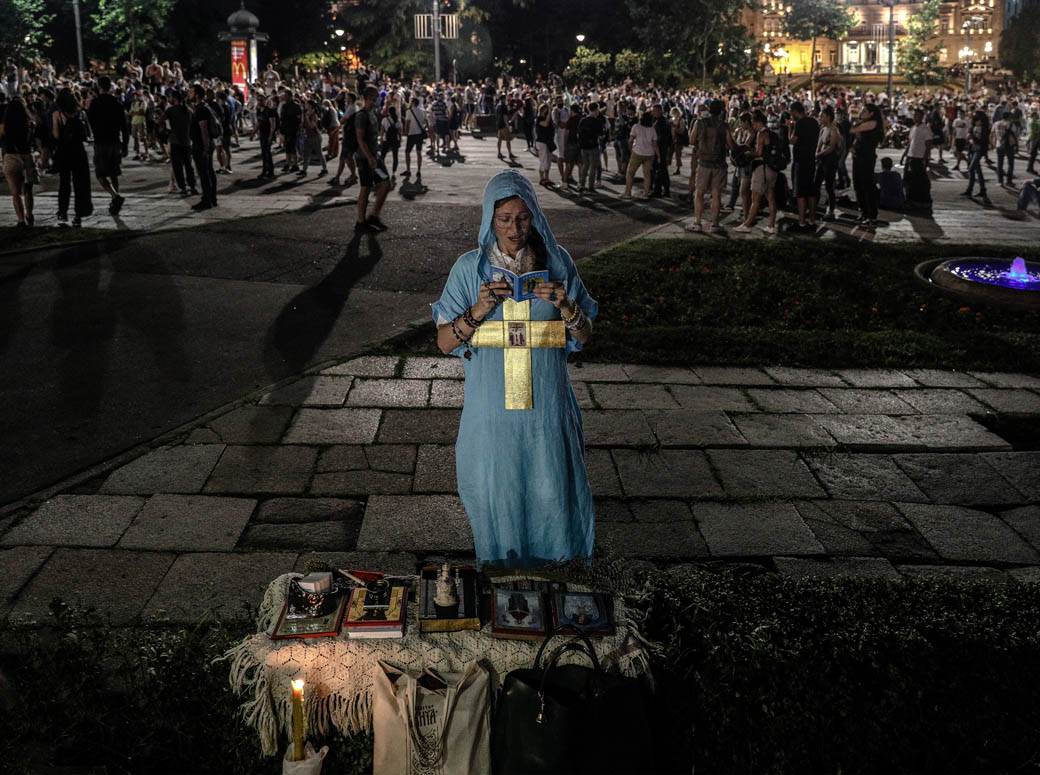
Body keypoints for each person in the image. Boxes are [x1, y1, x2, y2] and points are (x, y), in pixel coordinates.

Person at [431, 169, 597, 567]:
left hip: (546, 406)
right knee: (497, 489)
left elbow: (584, 335)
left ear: (535, 216)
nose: (514, 228)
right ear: (489, 218)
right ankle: (502, 569)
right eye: (504, 219)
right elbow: (444, 342)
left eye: (522, 218)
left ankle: (559, 572)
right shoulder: (469, 270)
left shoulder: (557, 264)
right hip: (492, 412)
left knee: (552, 486)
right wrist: (480, 309)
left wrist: (565, 305)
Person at [687, 98, 732, 233]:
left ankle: (697, 222)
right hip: (719, 163)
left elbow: (691, 140)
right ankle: (715, 224)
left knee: (699, 193)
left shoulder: (699, 122)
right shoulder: (724, 125)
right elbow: (731, 144)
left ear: (709, 109)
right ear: (721, 111)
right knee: (716, 195)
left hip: (703, 162)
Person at [86, 75, 128, 215]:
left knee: (100, 173)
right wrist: (126, 144)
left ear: (99, 87)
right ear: (110, 86)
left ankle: (115, 196)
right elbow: (124, 125)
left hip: (101, 141)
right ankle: (115, 200)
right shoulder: (116, 103)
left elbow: (90, 121)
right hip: (115, 140)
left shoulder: (95, 103)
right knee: (114, 172)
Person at [52, 88, 93, 226]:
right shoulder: (80, 112)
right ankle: (78, 215)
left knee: (64, 183)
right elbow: (87, 134)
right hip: (78, 151)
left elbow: (56, 135)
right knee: (80, 183)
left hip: (64, 151)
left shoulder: (57, 114)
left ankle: (63, 212)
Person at [734, 109, 777, 234]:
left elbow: (758, 152)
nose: (753, 125)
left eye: (753, 122)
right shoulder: (772, 133)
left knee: (755, 199)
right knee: (771, 197)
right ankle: (771, 225)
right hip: (772, 169)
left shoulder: (761, 134)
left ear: (758, 122)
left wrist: (748, 152)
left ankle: (747, 225)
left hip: (761, 168)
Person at [354, 85, 390, 232]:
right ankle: (360, 222)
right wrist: (369, 157)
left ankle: (374, 216)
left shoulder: (372, 113)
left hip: (375, 156)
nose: (378, 99)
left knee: (386, 183)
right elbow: (360, 138)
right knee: (366, 187)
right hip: (365, 158)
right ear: (368, 98)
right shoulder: (361, 115)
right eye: (375, 97)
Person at [1, 96, 37, 227]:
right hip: (26, 156)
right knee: (28, 190)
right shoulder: (29, 123)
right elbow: (34, 137)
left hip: (10, 157)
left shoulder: (5, 125)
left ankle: (21, 220)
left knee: (15, 192)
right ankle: (29, 215)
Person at [849, 103, 882, 226]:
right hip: (858, 157)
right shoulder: (862, 123)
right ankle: (863, 212)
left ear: (871, 114)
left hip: (867, 158)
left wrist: (854, 122)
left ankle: (872, 216)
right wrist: (852, 148)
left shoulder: (873, 123)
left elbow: (853, 130)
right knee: (858, 185)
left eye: (864, 111)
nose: (861, 112)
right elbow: (856, 137)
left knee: (867, 186)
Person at [789, 100, 819, 231]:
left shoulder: (799, 123)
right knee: (811, 191)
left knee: (800, 192)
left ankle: (801, 222)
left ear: (795, 112)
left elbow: (792, 141)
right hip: (811, 159)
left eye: (791, 112)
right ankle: (812, 220)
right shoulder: (814, 122)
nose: (791, 114)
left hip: (801, 160)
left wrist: (790, 128)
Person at [188, 83, 218, 210]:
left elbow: (204, 129)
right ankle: (212, 198)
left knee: (204, 173)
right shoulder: (204, 107)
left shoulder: (201, 109)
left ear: (197, 94)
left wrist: (205, 148)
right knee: (209, 171)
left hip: (201, 145)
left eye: (191, 92)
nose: (189, 93)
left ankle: (207, 200)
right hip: (206, 143)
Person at [164, 90, 198, 195]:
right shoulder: (189, 110)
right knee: (188, 165)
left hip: (175, 141)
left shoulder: (170, 110)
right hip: (187, 141)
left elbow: (160, 121)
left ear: (174, 98)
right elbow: (194, 125)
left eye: (170, 97)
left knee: (177, 166)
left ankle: (183, 187)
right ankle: (192, 187)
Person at [813, 106, 841, 221]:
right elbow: (818, 144)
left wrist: (818, 155)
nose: (820, 118)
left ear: (828, 117)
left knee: (829, 186)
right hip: (822, 160)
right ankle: (815, 207)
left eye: (822, 116)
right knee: (816, 184)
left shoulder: (834, 130)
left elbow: (831, 148)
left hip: (830, 161)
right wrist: (817, 154)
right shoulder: (823, 129)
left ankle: (831, 210)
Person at [623, 110, 657, 199]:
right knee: (647, 175)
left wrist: (631, 150)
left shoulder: (636, 127)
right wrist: (658, 155)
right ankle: (645, 194)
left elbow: (630, 140)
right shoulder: (652, 129)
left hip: (637, 151)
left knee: (630, 173)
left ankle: (627, 193)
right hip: (649, 153)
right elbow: (654, 144)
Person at [901, 109, 931, 210]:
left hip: (919, 157)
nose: (915, 117)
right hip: (910, 156)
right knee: (907, 179)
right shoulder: (913, 128)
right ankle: (908, 199)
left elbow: (928, 145)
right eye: (914, 116)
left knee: (918, 180)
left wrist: (925, 159)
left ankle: (918, 200)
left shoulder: (925, 129)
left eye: (917, 116)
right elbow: (910, 143)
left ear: (922, 117)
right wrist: (904, 155)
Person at [330, 91, 358, 187]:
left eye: (347, 97)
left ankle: (353, 176)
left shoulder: (351, 108)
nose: (345, 98)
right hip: (348, 135)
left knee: (347, 157)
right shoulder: (352, 107)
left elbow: (343, 120)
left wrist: (335, 130)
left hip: (349, 136)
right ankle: (337, 177)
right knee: (343, 158)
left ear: (351, 98)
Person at [963, 109, 990, 205]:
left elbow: (982, 141)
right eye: (975, 119)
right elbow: (969, 135)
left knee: (971, 169)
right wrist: (970, 139)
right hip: (972, 149)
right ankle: (980, 190)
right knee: (977, 170)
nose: (976, 121)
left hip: (979, 150)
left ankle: (971, 189)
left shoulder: (984, 128)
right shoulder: (973, 126)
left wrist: (972, 138)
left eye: (977, 119)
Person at [576, 102, 605, 194]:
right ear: (596, 110)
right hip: (593, 146)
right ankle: (590, 186)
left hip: (583, 146)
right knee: (593, 167)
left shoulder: (583, 120)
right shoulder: (597, 121)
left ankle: (581, 184)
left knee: (585, 166)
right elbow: (601, 135)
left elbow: (578, 133)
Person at [402, 95, 426, 184]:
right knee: (419, 152)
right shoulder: (422, 111)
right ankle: (418, 170)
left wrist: (405, 132)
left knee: (407, 152)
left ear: (413, 103)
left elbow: (407, 123)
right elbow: (424, 122)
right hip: (419, 134)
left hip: (412, 134)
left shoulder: (409, 111)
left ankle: (408, 170)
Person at [256, 94, 279, 179]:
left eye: (261, 100)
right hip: (262, 135)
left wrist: (270, 137)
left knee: (267, 153)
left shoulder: (270, 111)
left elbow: (273, 125)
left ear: (265, 101)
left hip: (267, 135)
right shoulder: (259, 111)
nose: (259, 101)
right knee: (264, 154)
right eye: (258, 100)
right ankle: (265, 171)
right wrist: (253, 132)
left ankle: (271, 172)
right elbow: (259, 123)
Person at [992, 112, 1017, 188]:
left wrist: (993, 144)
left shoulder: (996, 123)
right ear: (1008, 117)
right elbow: (1015, 134)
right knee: (1010, 163)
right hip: (1009, 145)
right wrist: (1016, 144)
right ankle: (1009, 181)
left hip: (999, 144)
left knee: (1000, 163)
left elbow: (992, 134)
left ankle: (1000, 181)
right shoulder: (1011, 124)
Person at [534, 102, 555, 187]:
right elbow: (545, 124)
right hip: (541, 141)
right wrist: (550, 113)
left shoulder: (548, 119)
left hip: (548, 141)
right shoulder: (539, 118)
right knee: (543, 160)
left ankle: (547, 178)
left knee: (548, 160)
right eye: (545, 109)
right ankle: (541, 178)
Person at [496, 93, 516, 161]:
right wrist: (507, 125)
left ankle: (499, 153)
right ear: (504, 99)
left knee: (499, 139)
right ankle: (510, 153)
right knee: (508, 139)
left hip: (499, 124)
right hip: (504, 124)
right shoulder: (503, 106)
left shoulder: (498, 106)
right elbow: (505, 116)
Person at [951, 108, 969, 172]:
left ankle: (957, 165)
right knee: (956, 152)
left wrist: (967, 138)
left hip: (963, 138)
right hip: (957, 137)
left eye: (961, 113)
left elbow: (968, 129)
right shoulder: (956, 120)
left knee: (959, 152)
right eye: (959, 113)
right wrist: (953, 139)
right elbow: (954, 130)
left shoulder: (966, 121)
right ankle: (967, 161)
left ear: (964, 114)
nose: (960, 115)